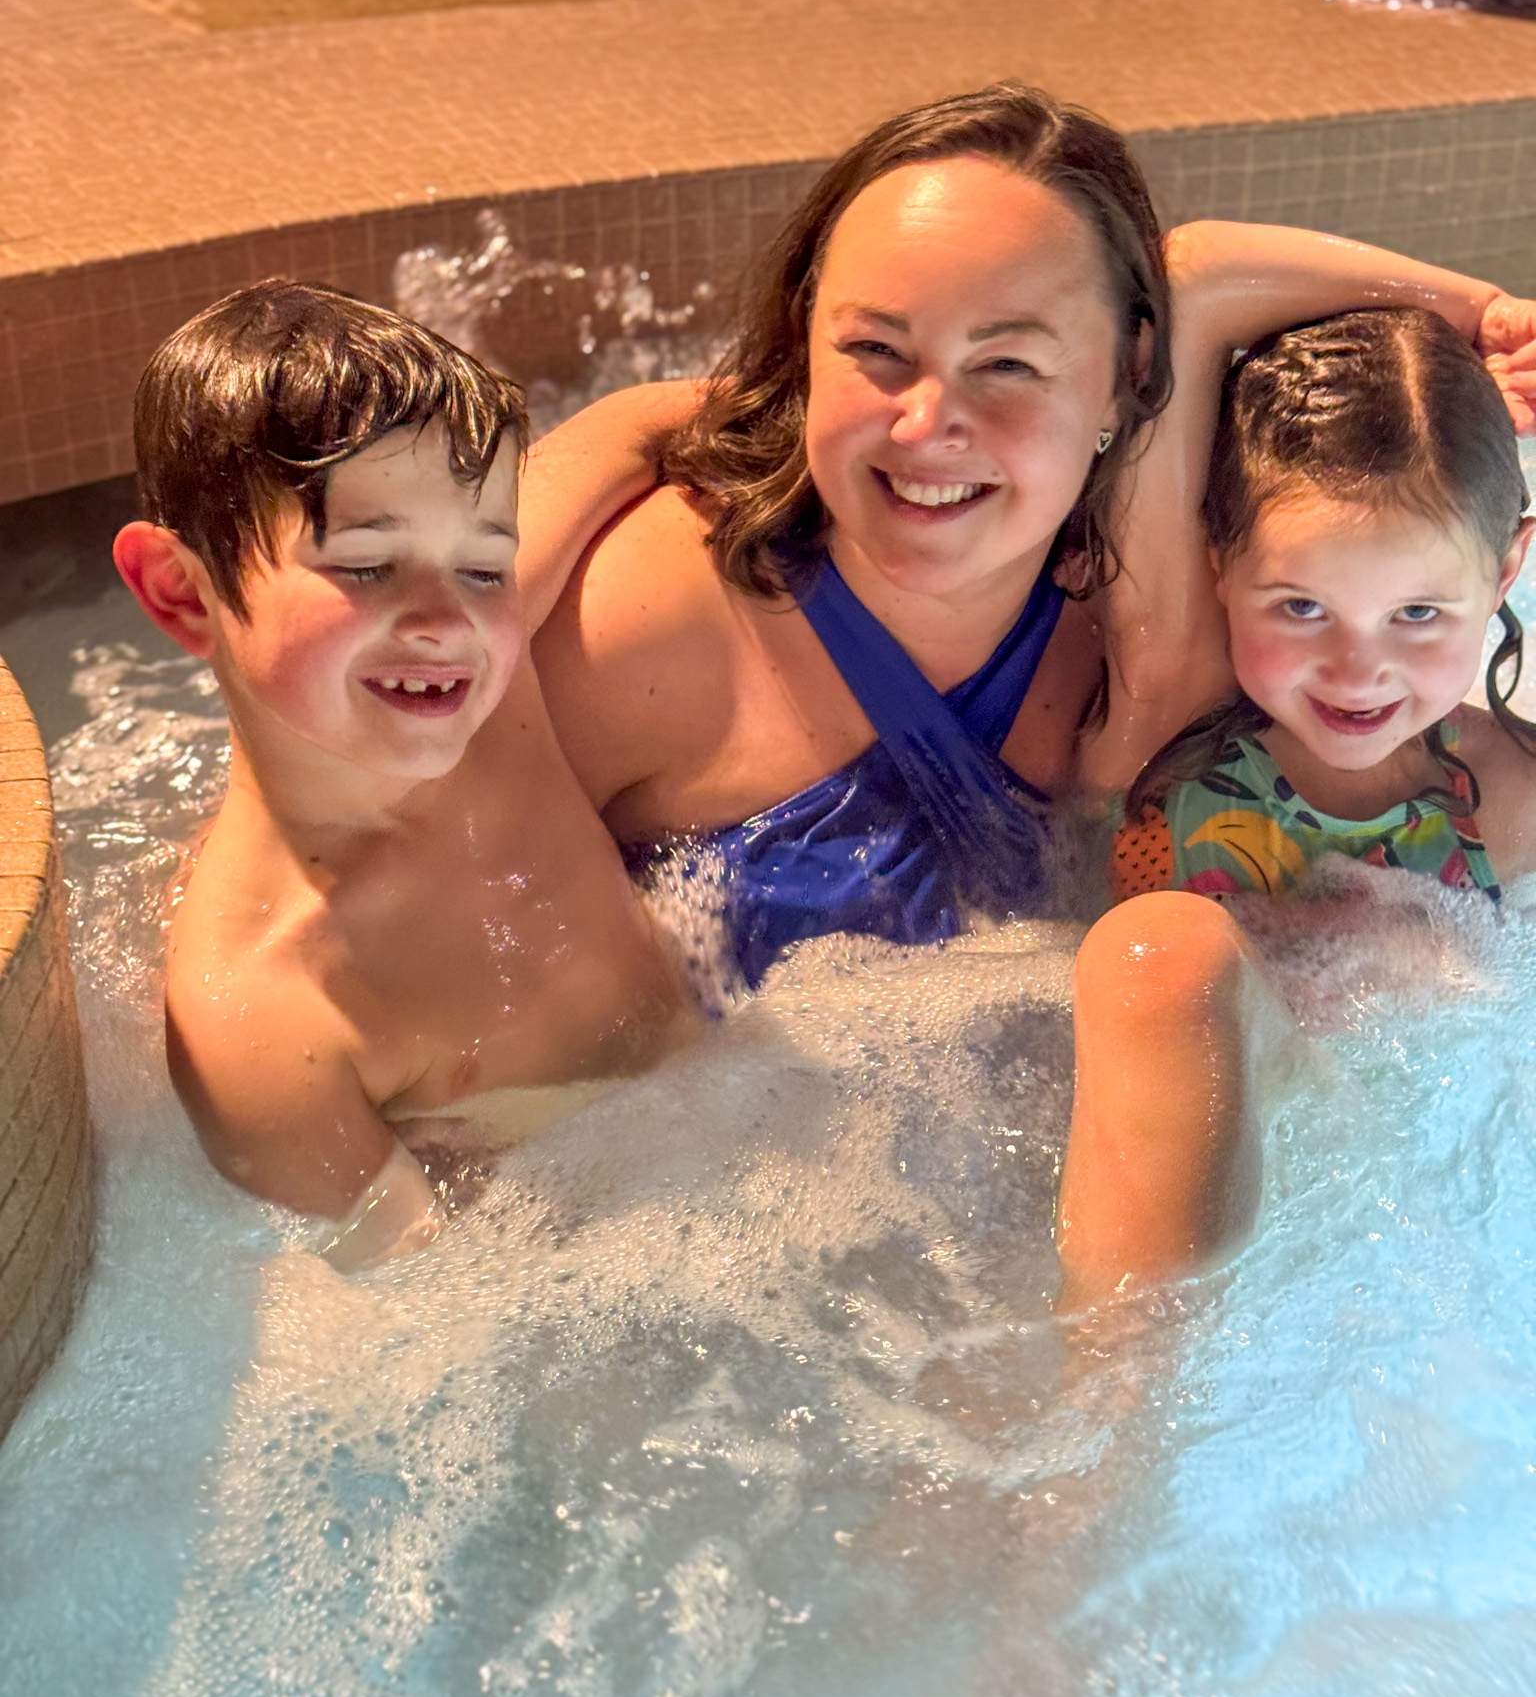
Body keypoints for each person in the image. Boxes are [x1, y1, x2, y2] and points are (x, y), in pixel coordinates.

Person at [527, 82, 1536, 990]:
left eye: (1008, 365)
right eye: (875, 347)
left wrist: (1485, 313)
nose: (925, 426)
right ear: (806, 344)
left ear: (1127, 376)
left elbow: (1197, 278)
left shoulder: (1170, 626)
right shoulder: (646, 616)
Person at [113, 281, 699, 1269]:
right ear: (182, 593)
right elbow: (421, 1303)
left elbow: (641, 420)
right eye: (368, 565)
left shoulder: (493, 683)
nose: (445, 622)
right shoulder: (266, 1019)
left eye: (483, 568)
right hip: (599, 1246)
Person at [1058, 307, 1536, 1306]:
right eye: (1302, 606)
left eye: (1418, 613)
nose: (1358, 669)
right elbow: (1192, 286)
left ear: (1505, 574)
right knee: (1163, 959)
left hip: (1370, 1253)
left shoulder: (1508, 797)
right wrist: (1478, 307)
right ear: (1217, 562)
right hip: (1129, 1227)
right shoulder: (1158, 721)